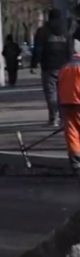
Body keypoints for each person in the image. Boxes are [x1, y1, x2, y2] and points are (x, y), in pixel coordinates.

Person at [31, 9, 73, 127]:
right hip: (64, 67)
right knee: (63, 93)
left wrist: (34, 64)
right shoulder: (65, 32)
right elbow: (70, 50)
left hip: (48, 66)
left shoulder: (43, 32)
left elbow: (38, 49)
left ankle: (53, 118)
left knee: (51, 92)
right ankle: (63, 117)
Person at [58, 39, 80, 183]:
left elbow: (58, 86)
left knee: (72, 133)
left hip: (66, 102)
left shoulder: (64, 67)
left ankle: (77, 163)